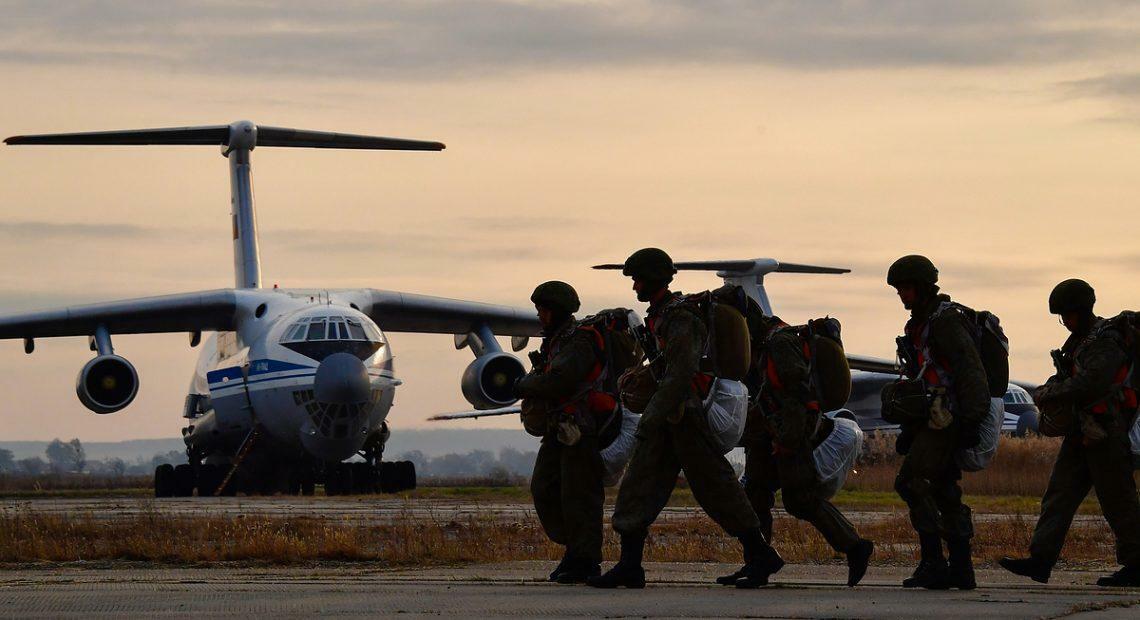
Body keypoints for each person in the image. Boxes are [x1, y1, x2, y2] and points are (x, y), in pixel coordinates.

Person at [588, 248, 783, 589]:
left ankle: (760, 554)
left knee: (718, 488)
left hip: (684, 416)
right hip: (670, 417)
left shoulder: (681, 318)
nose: (634, 286)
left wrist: (650, 416)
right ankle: (629, 565)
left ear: (653, 279)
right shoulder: (663, 316)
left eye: (638, 279)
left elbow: (680, 373)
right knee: (638, 486)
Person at [999, 279, 1140, 587]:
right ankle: (1040, 560)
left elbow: (1093, 382)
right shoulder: (1081, 342)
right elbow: (1071, 376)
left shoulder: (1105, 341)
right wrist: (1050, 387)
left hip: (1105, 433)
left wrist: (1052, 394)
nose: (1064, 322)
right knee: (1059, 496)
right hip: (1082, 432)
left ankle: (1137, 564)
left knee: (1118, 501)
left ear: (1077, 311)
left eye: (1065, 315)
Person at [730, 305, 874, 587]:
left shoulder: (779, 343)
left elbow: (797, 394)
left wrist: (788, 441)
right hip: (769, 432)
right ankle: (757, 562)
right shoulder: (758, 345)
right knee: (754, 494)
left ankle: (855, 546)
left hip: (790, 434)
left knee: (801, 500)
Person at [887, 255, 989, 590]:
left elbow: (969, 369)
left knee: (911, 482)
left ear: (922, 287)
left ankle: (934, 563)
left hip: (947, 420)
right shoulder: (921, 322)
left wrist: (972, 420)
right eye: (899, 289)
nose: (902, 295)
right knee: (945, 491)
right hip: (931, 418)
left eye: (906, 288)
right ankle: (961, 568)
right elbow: (922, 377)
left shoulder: (945, 321)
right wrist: (908, 430)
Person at [515, 280, 610, 584]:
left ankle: (586, 560)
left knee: (579, 496)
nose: (540, 315)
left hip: (580, 430)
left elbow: (559, 381)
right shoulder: (556, 342)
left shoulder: (579, 341)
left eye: (544, 309)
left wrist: (520, 385)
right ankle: (575, 550)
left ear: (557, 311)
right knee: (544, 489)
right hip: (560, 429)